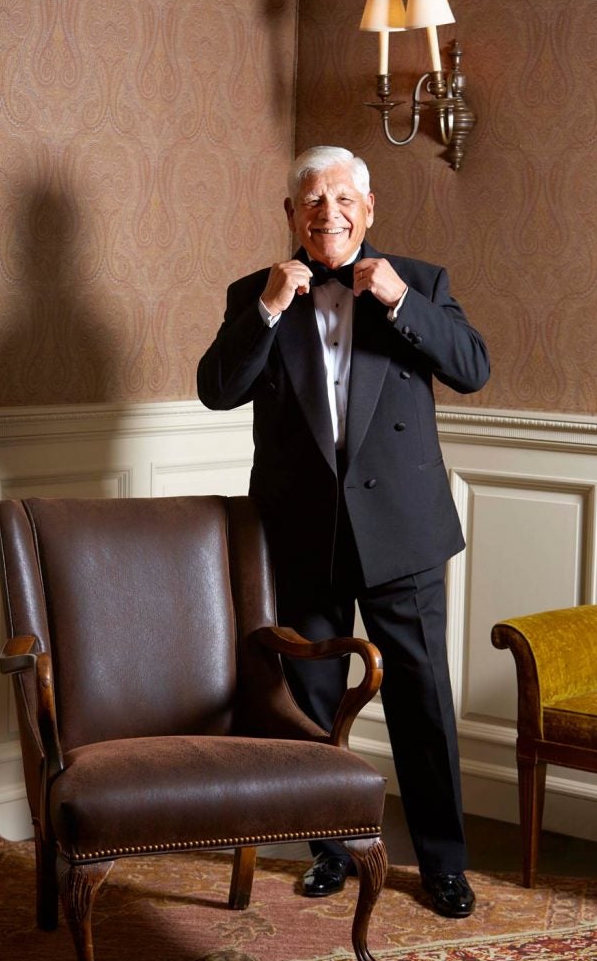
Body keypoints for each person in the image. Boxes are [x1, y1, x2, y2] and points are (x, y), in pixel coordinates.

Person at [196, 146, 490, 918]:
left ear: (368, 208)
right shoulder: (254, 293)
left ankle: (443, 864)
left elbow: (472, 369)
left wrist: (400, 302)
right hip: (302, 536)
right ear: (290, 214)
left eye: (342, 199)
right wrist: (267, 310)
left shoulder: (420, 281)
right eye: (312, 201)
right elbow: (217, 391)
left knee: (421, 702)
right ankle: (327, 850)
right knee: (313, 701)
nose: (328, 213)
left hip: (401, 535)